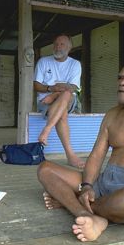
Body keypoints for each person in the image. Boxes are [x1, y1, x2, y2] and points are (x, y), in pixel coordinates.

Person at [37, 56, 124, 242]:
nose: (122, 83)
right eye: (120, 78)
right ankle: (91, 215)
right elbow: (96, 156)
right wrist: (86, 187)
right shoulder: (112, 115)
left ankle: (72, 203)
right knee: (45, 169)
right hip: (104, 183)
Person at [34, 33, 85, 168]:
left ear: (69, 47)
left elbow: (73, 87)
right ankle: (70, 156)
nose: (58, 47)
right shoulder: (43, 62)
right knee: (62, 113)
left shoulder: (75, 64)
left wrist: (54, 93)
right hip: (46, 101)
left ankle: (47, 129)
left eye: (62, 44)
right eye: (56, 44)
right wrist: (52, 90)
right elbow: (36, 85)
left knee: (67, 94)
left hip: (66, 99)